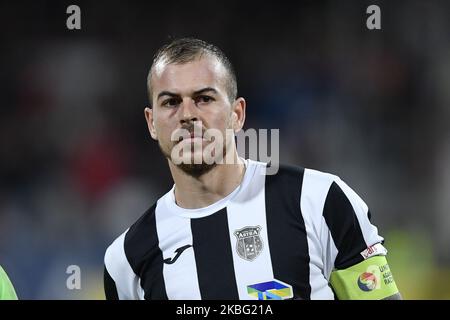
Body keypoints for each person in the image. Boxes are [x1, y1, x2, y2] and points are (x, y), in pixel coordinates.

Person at [103, 38, 401, 300]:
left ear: (237, 114)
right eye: (170, 102)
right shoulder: (127, 259)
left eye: (204, 98)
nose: (187, 115)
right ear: (151, 122)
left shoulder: (319, 201)